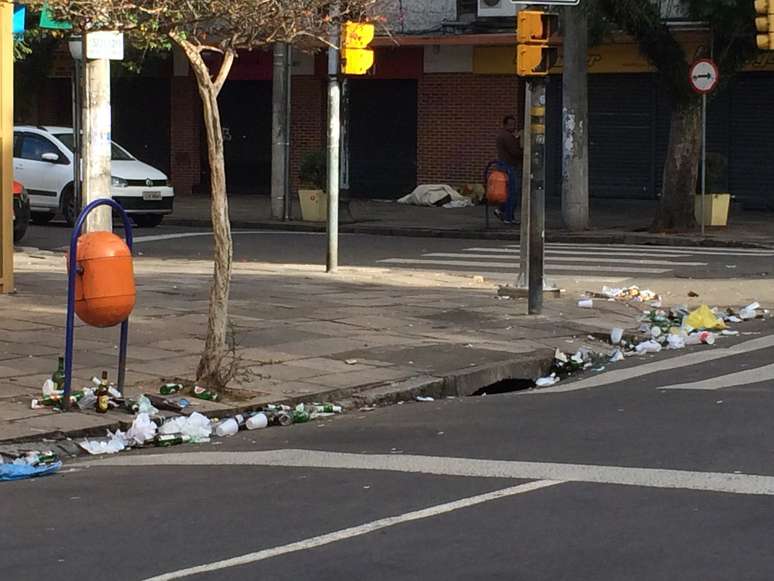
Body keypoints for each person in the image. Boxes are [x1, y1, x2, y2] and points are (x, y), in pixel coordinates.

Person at [494, 115, 523, 224]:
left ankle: (502, 210)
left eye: (514, 124)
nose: (513, 126)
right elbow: (514, 152)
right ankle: (508, 217)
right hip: (509, 166)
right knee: (512, 192)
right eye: (511, 124)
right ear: (505, 125)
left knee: (506, 191)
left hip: (504, 165)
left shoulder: (504, 136)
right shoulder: (507, 137)